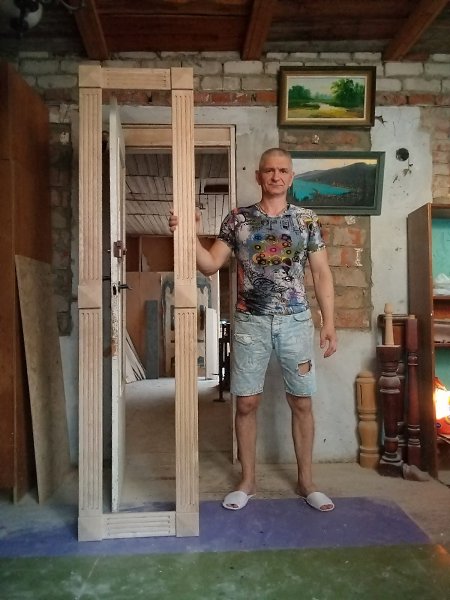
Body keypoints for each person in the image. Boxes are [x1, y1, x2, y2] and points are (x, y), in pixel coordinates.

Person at [169, 147, 337, 512]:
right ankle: (247, 481)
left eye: (283, 170)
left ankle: (307, 481)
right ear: (258, 176)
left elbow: (322, 273)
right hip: (250, 323)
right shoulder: (238, 219)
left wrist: (330, 323)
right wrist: (189, 235)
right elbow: (210, 264)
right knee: (246, 402)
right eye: (269, 170)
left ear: (291, 177)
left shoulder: (306, 220)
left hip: (295, 322)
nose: (276, 176)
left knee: (302, 402)